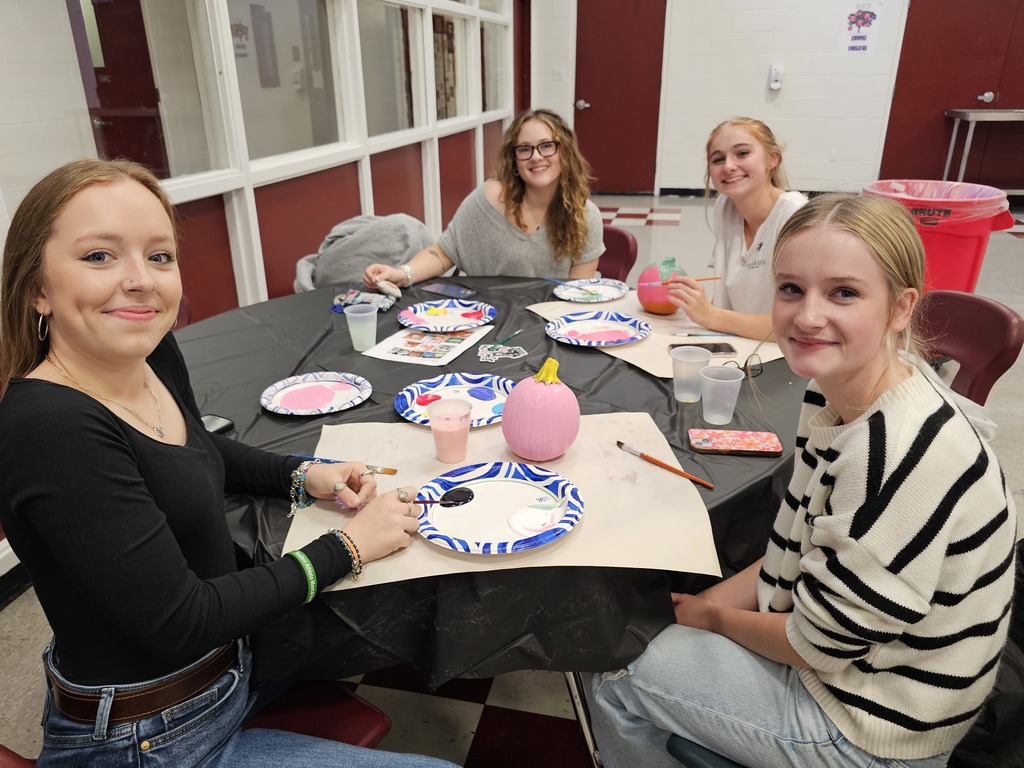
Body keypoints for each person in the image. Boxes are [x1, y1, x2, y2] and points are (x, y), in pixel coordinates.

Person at [0, 159, 457, 768]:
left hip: (229, 666)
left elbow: (198, 447)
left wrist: (299, 474)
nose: (141, 281)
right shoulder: (49, 427)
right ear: (37, 288)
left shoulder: (150, 351)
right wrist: (348, 546)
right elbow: (182, 621)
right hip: (150, 736)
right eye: (99, 257)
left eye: (159, 256)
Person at [588, 193, 1017, 768]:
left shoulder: (899, 451)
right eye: (791, 289)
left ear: (899, 307)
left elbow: (818, 645)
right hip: (854, 663)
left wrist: (711, 618)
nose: (808, 316)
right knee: (661, 623)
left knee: (613, 664)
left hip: (873, 725)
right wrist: (705, 606)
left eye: (844, 292)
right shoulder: (833, 389)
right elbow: (795, 541)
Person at [363, 108, 604, 289]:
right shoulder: (489, 199)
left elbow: (577, 295)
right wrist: (402, 274)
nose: (536, 157)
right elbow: (445, 252)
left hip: (551, 324)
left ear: (565, 152)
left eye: (546, 146)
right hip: (490, 321)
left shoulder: (586, 215)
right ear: (514, 160)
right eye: (524, 149)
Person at [668, 117, 806, 339]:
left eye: (742, 153)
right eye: (718, 159)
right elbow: (726, 298)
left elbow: (797, 324)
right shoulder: (725, 206)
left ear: (772, 159)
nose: (729, 166)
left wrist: (710, 315)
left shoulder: (794, 216)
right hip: (737, 344)